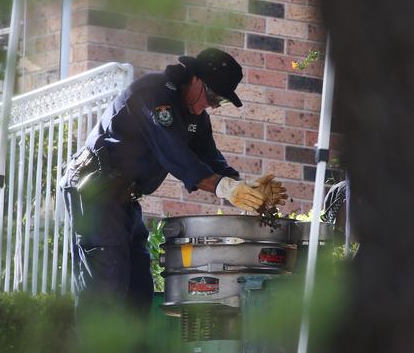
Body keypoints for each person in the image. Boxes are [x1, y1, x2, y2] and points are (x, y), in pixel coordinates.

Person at [60, 48, 287, 324]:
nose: (212, 106)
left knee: (138, 289)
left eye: (221, 103)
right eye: (213, 96)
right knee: (106, 287)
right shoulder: (154, 94)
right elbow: (175, 155)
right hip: (95, 191)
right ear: (194, 78)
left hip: (124, 199)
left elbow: (211, 159)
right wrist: (226, 189)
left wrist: (245, 186)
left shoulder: (196, 117)